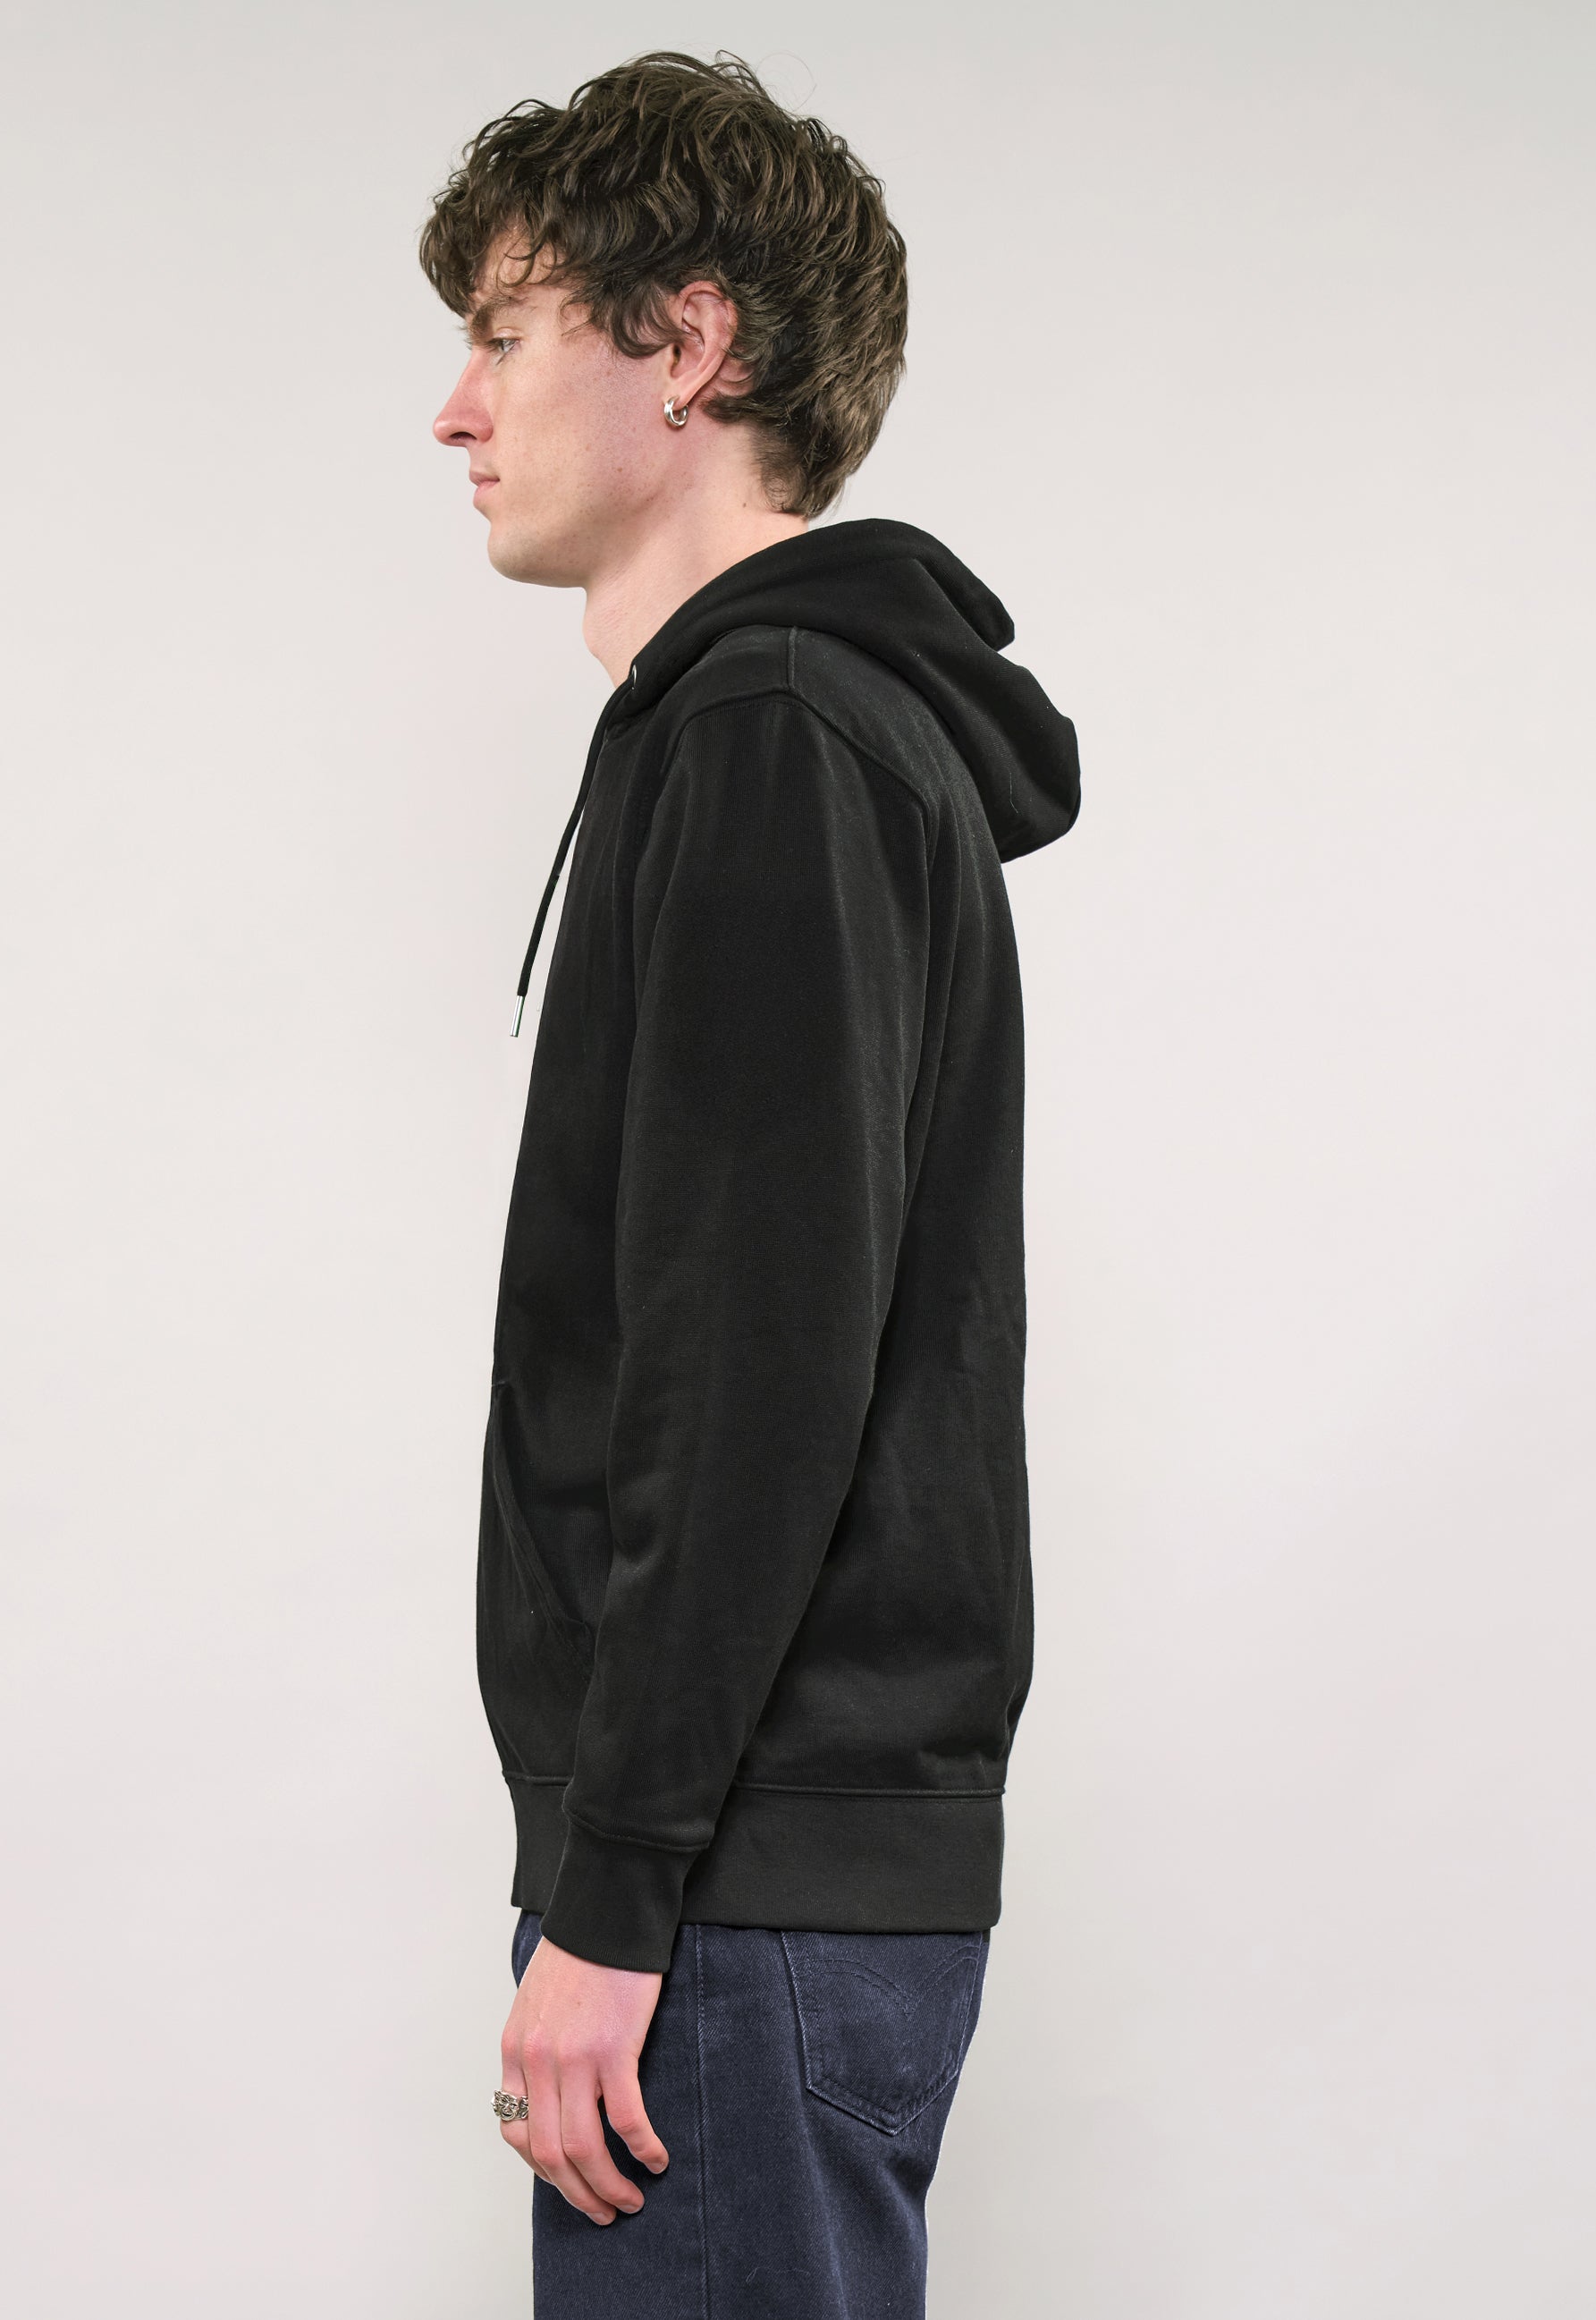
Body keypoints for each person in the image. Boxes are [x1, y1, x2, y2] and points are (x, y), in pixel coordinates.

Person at [423, 49, 1080, 2318]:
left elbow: (754, 1361)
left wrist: (616, 1893)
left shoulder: (772, 736)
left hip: (731, 1891)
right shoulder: (789, 730)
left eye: (505, 332)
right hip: (762, 1874)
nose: (455, 408)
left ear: (684, 343)